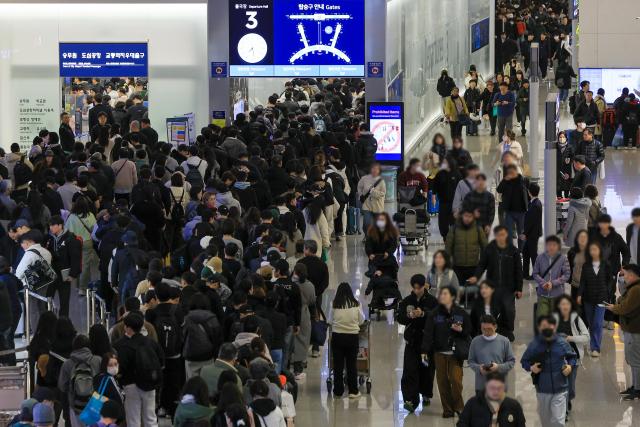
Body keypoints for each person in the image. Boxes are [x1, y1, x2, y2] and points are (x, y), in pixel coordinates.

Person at [421, 285, 471, 418]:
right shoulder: (434, 314)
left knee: (456, 380)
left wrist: (461, 330)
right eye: (441, 294)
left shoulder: (461, 313)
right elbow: (428, 333)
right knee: (442, 382)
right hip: (439, 353)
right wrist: (424, 350)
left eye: (445, 294)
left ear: (453, 297)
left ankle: (459, 406)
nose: (441, 296)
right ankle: (447, 409)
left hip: (456, 354)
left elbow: (469, 330)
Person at [521, 315, 577, 427]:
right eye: (543, 326)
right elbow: (524, 361)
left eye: (549, 326)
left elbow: (572, 357)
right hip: (542, 390)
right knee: (546, 421)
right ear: (539, 328)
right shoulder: (534, 345)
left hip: (560, 388)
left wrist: (570, 366)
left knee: (558, 421)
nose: (547, 329)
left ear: (554, 327)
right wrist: (531, 368)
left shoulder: (562, 343)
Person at [470, 225, 523, 339]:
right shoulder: (489, 248)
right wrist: (476, 276)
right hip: (492, 287)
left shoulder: (513, 250)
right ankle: (491, 329)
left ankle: (508, 330)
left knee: (508, 310)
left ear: (507, 235)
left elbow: (518, 270)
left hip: (509, 287)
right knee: (493, 309)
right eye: (499, 235)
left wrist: (519, 288)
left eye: (503, 235)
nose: (501, 237)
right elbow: (482, 265)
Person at [113, 312, 164, 427]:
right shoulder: (151, 343)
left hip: (130, 386)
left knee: (133, 420)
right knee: (150, 418)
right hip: (150, 384)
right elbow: (161, 361)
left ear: (126, 327)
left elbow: (119, 368)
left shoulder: (120, 345)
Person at [397, 274, 438, 412]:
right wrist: (409, 316)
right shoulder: (407, 301)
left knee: (426, 370)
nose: (416, 290)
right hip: (412, 343)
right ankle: (410, 400)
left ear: (424, 286)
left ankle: (425, 394)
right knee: (410, 370)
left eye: (419, 288)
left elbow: (437, 316)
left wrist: (423, 314)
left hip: (426, 346)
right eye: (414, 288)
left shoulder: (432, 301)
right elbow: (400, 318)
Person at [605, 264, 640, 400]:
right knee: (632, 359)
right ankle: (635, 385)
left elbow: (625, 307)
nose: (623, 278)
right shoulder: (632, 288)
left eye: (624, 274)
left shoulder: (636, 289)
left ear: (631, 275)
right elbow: (622, 300)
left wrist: (614, 308)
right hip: (631, 329)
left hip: (634, 330)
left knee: (635, 360)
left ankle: (637, 389)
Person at [553, 295, 589, 414]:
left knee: (570, 386)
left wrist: (571, 338)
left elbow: (586, 337)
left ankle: (568, 399)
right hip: (557, 357)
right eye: (562, 304)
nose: (565, 307)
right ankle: (562, 406)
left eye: (567, 304)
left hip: (573, 358)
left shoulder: (576, 319)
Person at [58, 334, 102, 427]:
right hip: (94, 404)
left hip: (75, 405)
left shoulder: (67, 364)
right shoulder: (97, 360)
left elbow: (62, 386)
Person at [329, 282, 364, 398]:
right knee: (351, 365)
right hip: (352, 337)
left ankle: (338, 391)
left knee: (338, 365)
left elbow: (329, 320)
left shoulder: (334, 304)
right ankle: (353, 391)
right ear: (350, 292)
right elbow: (361, 320)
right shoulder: (356, 304)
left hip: (337, 337)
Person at [577, 241, 611, 357]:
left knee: (597, 323)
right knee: (591, 323)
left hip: (602, 298)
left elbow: (609, 281)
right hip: (588, 298)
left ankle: (595, 348)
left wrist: (608, 293)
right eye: (591, 250)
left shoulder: (605, 264)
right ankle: (593, 343)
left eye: (595, 249)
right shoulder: (586, 265)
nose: (593, 252)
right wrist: (579, 295)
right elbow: (582, 282)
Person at [44, 215, 82, 317]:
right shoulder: (50, 239)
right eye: (49, 226)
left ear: (60, 226)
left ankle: (63, 323)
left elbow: (75, 258)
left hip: (64, 275)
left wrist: (73, 274)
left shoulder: (70, 238)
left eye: (53, 225)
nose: (51, 228)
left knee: (64, 301)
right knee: (47, 299)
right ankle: (49, 321)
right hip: (51, 274)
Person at [457, 372, 526, 427]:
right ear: (486, 386)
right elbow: (462, 424)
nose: (496, 392)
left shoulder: (513, 405)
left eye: (499, 388)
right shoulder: (472, 403)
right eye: (492, 388)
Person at [467, 314, 515, 393]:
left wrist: (498, 367)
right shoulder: (475, 341)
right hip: (481, 387)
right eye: (483, 329)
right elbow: (471, 361)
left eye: (489, 329)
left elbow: (511, 362)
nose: (486, 331)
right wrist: (479, 368)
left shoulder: (504, 341)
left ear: (495, 327)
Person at [445, 208, 487, 298]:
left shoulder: (478, 228)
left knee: (471, 294)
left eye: (470, 216)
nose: (467, 218)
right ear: (461, 216)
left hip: (473, 266)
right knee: (459, 293)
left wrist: (483, 263)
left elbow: (485, 246)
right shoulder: (454, 228)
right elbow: (448, 247)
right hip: (457, 266)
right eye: (465, 216)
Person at [65, 196, 99, 296]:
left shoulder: (72, 217)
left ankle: (77, 286)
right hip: (87, 242)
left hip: (75, 242)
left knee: (77, 264)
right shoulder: (90, 215)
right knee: (85, 265)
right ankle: (82, 288)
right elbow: (94, 229)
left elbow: (67, 231)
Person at [532, 236, 571, 318]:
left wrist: (553, 283)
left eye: (554, 245)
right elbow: (535, 273)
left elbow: (567, 274)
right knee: (542, 318)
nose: (551, 247)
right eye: (549, 245)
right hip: (543, 294)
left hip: (557, 294)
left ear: (558, 246)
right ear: (546, 245)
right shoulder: (540, 257)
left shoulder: (563, 259)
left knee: (556, 319)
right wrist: (543, 283)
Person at [291, 263, 316, 380]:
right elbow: (312, 301)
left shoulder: (291, 285)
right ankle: (298, 367)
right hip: (304, 314)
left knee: (291, 339)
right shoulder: (310, 286)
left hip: (291, 313)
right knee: (303, 340)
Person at [496, 163, 528, 250]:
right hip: (509, 212)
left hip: (521, 212)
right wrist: (504, 180)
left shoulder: (522, 179)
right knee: (509, 232)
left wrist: (528, 208)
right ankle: (510, 250)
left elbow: (527, 194)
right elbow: (498, 190)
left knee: (521, 232)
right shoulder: (506, 181)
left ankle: (521, 250)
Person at [432, 156, 461, 239]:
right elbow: (435, 186)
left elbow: (461, 187)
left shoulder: (457, 174)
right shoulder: (440, 174)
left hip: (455, 203)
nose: (443, 164)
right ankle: (445, 237)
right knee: (442, 224)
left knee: (454, 223)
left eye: (445, 162)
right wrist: (433, 197)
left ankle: (453, 239)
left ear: (450, 163)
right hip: (443, 203)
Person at [364, 212, 399, 279]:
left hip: (388, 257)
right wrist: (370, 253)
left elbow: (393, 245)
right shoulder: (371, 231)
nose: (380, 222)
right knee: (374, 273)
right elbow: (368, 244)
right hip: (375, 257)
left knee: (392, 270)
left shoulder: (391, 232)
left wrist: (388, 252)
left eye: (382, 220)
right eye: (379, 220)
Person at [357, 162, 385, 234]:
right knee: (366, 224)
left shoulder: (381, 181)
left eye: (376, 169)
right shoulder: (364, 178)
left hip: (377, 206)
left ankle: (375, 237)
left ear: (379, 171)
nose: (374, 170)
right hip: (367, 205)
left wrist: (373, 192)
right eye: (373, 168)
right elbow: (359, 187)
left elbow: (382, 193)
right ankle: (367, 237)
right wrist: (360, 194)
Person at [522, 183, 543, 279]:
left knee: (533, 254)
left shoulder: (535, 205)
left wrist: (525, 233)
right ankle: (525, 273)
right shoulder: (535, 202)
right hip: (532, 233)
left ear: (529, 192)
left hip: (532, 234)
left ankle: (536, 275)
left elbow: (531, 222)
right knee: (526, 252)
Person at [556, 132, 574, 198]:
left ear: (566, 138)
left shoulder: (570, 147)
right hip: (557, 171)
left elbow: (573, 157)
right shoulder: (555, 146)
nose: (562, 138)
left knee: (567, 189)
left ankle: (566, 203)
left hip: (567, 171)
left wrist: (570, 160)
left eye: (563, 137)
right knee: (558, 190)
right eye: (560, 137)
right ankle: (559, 204)